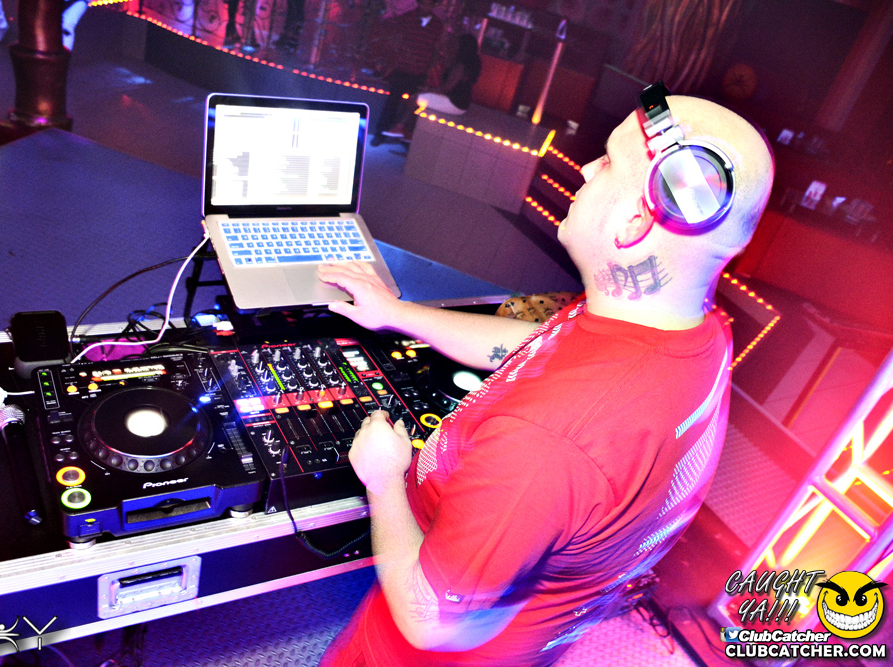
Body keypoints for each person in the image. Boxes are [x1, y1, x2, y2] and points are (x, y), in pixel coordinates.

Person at [317, 88, 774, 665]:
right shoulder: (693, 328)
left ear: (635, 220)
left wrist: (384, 479)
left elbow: (428, 621)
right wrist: (397, 314)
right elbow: (538, 349)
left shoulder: (552, 441)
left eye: (607, 161)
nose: (585, 168)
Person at [369, 0, 444, 146]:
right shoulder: (408, 18)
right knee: (392, 103)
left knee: (411, 107)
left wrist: (428, 69)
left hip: (420, 70)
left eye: (429, 4)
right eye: (424, 3)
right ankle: (380, 134)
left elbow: (435, 49)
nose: (426, 6)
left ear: (433, 5)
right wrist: (399, 55)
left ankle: (401, 136)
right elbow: (396, 38)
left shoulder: (437, 25)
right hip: (401, 68)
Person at [383, 33, 482, 142]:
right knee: (421, 100)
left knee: (415, 98)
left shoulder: (460, 66)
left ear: (463, 47)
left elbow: (447, 88)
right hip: (459, 103)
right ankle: (408, 132)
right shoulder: (467, 65)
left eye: (457, 44)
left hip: (454, 103)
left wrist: (428, 90)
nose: (455, 46)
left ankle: (400, 128)